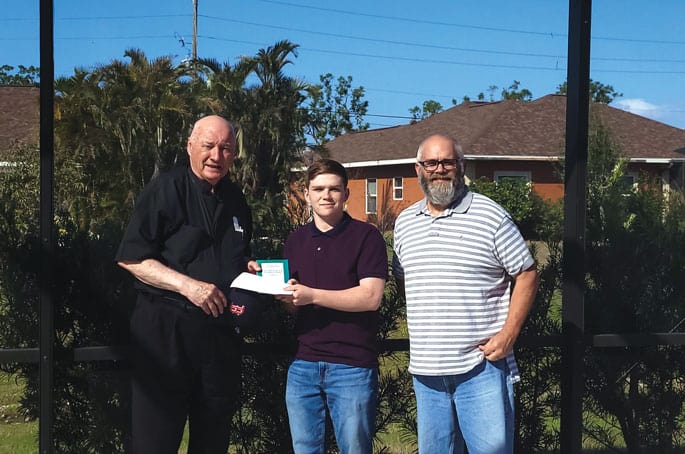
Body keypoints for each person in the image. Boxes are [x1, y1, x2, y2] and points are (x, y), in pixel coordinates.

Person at [115, 115, 261, 453]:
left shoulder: (237, 200)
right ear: (190, 146)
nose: (216, 156)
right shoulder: (165, 189)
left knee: (213, 440)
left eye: (225, 148)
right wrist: (188, 286)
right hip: (165, 335)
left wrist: (248, 269)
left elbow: (235, 257)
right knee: (156, 441)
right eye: (208, 146)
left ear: (234, 154)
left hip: (219, 339)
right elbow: (132, 258)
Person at [392, 134, 539, 454]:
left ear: (461, 166)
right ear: (418, 169)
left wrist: (509, 334)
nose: (439, 169)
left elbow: (527, 273)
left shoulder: (492, 216)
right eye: (431, 162)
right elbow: (406, 279)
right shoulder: (404, 223)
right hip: (426, 374)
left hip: (482, 368)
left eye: (447, 162)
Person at [276, 159, 388, 454]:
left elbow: (370, 297)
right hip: (303, 364)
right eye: (319, 189)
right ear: (307, 194)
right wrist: (281, 295)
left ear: (346, 194)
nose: (326, 195)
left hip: (351, 364)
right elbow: (294, 305)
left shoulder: (367, 237)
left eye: (334, 189)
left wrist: (312, 295)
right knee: (305, 449)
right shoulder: (295, 240)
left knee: (354, 449)